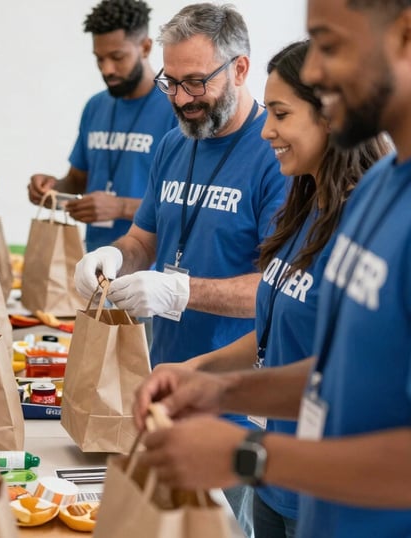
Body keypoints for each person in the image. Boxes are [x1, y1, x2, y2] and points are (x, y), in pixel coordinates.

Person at [132, 1, 411, 536]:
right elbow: (337, 374)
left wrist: (248, 455)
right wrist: (218, 389)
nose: (314, 72)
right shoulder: (377, 189)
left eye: (329, 44)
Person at [74, 4, 288, 534]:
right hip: (165, 384)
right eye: (172, 82)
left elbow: (276, 288)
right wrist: (115, 257)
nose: (182, 100)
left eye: (197, 83)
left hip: (234, 403)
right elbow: (145, 237)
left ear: (239, 70)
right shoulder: (176, 142)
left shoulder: (276, 157)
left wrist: (179, 292)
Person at [27, 0, 177, 252]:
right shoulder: (95, 106)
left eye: (117, 57)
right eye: (100, 59)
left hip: (149, 269)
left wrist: (120, 207)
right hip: (93, 262)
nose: (107, 69)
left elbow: (186, 204)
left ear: (145, 47)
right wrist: (52, 189)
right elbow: (77, 181)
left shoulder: (176, 108)